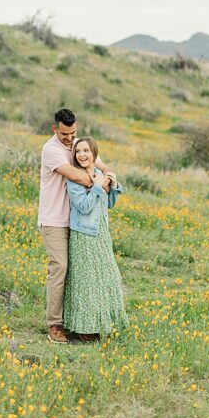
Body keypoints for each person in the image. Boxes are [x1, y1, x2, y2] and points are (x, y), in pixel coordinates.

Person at [37, 108, 116, 344]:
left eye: (73, 133)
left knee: (78, 271)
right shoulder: (51, 150)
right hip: (54, 220)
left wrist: (109, 175)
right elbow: (79, 177)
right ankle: (54, 324)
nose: (69, 139)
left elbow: (100, 163)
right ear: (55, 129)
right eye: (64, 134)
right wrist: (99, 181)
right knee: (59, 268)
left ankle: (78, 322)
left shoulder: (76, 145)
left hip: (77, 222)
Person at [62, 137, 129, 340]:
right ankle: (84, 328)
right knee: (86, 280)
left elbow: (109, 203)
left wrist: (113, 184)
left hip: (101, 233)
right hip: (83, 234)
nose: (82, 155)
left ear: (94, 153)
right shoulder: (75, 178)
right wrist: (98, 187)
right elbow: (83, 206)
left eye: (86, 151)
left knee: (106, 277)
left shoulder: (100, 174)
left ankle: (103, 322)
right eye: (78, 151)